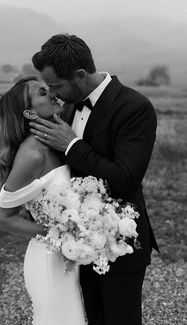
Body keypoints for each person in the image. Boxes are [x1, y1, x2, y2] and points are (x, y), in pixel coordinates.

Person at [29, 33, 159, 325]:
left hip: (121, 243)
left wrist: (72, 146)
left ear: (80, 75)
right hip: (78, 243)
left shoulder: (134, 108)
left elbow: (125, 179)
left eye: (55, 85)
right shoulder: (71, 105)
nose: (53, 93)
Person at [0, 76, 86, 325]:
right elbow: (1, 218)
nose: (53, 93)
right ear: (30, 113)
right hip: (49, 261)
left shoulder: (56, 143)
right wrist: (59, 234)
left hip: (68, 259)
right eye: (43, 93)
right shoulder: (32, 154)